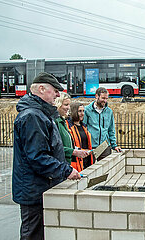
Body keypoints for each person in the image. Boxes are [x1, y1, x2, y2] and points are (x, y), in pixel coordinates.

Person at [12, 72, 81, 240]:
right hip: (33, 190)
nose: (58, 94)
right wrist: (65, 170)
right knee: (33, 234)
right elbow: (37, 156)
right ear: (41, 89)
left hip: (39, 187)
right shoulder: (32, 116)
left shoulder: (40, 114)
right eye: (55, 90)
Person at [83, 87, 122, 159]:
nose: (105, 101)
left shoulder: (109, 111)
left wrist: (114, 145)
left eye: (106, 98)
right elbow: (83, 128)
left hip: (105, 146)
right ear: (96, 96)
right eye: (103, 98)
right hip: (91, 146)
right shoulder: (87, 110)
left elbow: (111, 129)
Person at [54, 92, 89, 164]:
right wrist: (74, 152)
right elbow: (54, 147)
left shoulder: (62, 121)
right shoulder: (56, 122)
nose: (68, 107)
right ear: (58, 104)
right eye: (66, 105)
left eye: (69, 105)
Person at [66, 102, 95, 171]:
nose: (82, 114)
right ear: (74, 111)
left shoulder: (84, 126)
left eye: (83, 111)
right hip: (75, 162)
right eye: (79, 111)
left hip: (86, 160)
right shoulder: (68, 126)